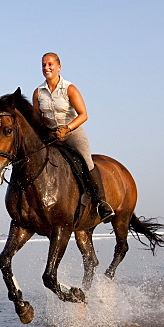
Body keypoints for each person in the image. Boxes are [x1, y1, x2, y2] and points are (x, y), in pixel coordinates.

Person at [32, 52, 115, 222]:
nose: (46, 68)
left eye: (50, 64)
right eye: (43, 65)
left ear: (59, 67)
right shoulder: (38, 92)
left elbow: (83, 115)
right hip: (50, 135)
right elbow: (36, 118)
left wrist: (67, 128)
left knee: (86, 160)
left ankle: (101, 203)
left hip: (72, 132)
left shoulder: (69, 88)